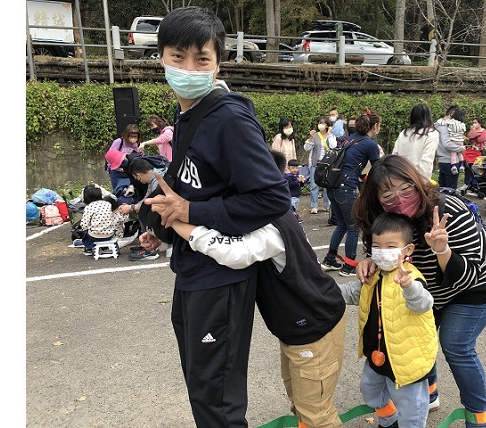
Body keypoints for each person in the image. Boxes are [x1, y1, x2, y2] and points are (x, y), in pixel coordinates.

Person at [138, 7, 291, 427]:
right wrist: (166, 230)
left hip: (221, 277)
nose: (189, 69)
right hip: (192, 267)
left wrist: (190, 211)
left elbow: (273, 197)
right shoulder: (188, 114)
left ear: (218, 63)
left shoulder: (228, 118)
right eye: (178, 56)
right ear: (161, 58)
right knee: (202, 388)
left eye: (201, 59)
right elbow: (200, 186)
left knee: (217, 400)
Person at [353, 154, 486, 428]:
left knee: (456, 344)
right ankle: (428, 395)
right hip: (426, 288)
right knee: (419, 335)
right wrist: (372, 260)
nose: (399, 198)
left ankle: (478, 419)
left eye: (405, 188)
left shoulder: (448, 210)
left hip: (477, 282)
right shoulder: (381, 218)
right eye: (388, 194)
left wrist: (442, 250)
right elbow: (383, 252)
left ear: (417, 183)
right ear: (377, 199)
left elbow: (466, 277)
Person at [168, 209, 347, 428]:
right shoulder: (270, 211)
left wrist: (175, 220)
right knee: (302, 405)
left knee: (316, 414)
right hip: (299, 328)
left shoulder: (270, 225)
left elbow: (233, 252)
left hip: (316, 328)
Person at [339, 212, 437, 428]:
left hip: (406, 359)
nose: (383, 252)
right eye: (377, 246)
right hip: (377, 353)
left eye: (391, 247)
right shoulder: (374, 275)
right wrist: (322, 291)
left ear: (408, 250)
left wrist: (409, 287)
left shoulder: (411, 278)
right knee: (369, 389)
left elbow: (423, 304)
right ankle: (389, 420)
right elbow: (353, 292)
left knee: (411, 408)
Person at [320, 108, 381, 277]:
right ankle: (349, 266)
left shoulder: (349, 139)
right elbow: (378, 169)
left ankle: (329, 260)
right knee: (353, 227)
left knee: (342, 224)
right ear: (374, 126)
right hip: (346, 188)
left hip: (333, 186)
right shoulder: (370, 144)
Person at [120, 156, 169, 260]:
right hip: (166, 207)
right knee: (143, 210)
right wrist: (133, 207)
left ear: (138, 175)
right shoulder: (155, 176)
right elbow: (147, 198)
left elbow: (151, 201)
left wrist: (131, 207)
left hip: (166, 210)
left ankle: (150, 249)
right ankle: (146, 243)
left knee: (146, 213)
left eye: (136, 178)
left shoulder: (158, 179)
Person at [391, 103, 439, 181]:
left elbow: (395, 155)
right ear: (428, 116)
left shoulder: (404, 133)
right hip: (417, 179)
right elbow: (426, 161)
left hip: (400, 177)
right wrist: (423, 182)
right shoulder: (431, 133)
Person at [79, 184, 129, 257]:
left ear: (86, 197)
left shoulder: (89, 207)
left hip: (95, 235)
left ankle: (89, 249)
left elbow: (84, 224)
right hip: (109, 234)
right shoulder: (108, 204)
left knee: (86, 237)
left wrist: (85, 229)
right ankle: (111, 248)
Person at [304, 116, 336, 214]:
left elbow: (333, 146)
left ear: (327, 125)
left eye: (323, 123)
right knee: (314, 185)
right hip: (315, 163)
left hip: (327, 164)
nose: (320, 125)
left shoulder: (331, 136)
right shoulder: (315, 135)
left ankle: (327, 205)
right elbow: (306, 148)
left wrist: (329, 134)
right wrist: (310, 137)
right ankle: (314, 206)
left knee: (327, 185)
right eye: (319, 123)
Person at [435, 106, 467, 189]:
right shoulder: (446, 126)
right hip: (451, 162)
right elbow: (447, 144)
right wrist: (461, 148)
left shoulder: (438, 124)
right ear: (452, 113)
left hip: (442, 160)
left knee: (442, 189)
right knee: (450, 190)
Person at [463, 117, 486, 186]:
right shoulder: (473, 131)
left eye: (475, 123)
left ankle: (475, 183)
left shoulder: (483, 131)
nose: (474, 124)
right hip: (470, 151)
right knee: (468, 167)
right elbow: (470, 137)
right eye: (473, 123)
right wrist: (475, 132)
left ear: (479, 123)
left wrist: (475, 133)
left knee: (475, 168)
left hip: (478, 152)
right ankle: (467, 182)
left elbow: (480, 140)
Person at [284, 159, 305, 223]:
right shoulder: (288, 176)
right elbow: (290, 185)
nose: (295, 170)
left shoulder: (297, 175)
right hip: (291, 195)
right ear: (288, 168)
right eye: (293, 168)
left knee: (295, 207)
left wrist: (302, 181)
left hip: (296, 195)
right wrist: (297, 181)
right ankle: (293, 219)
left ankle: (295, 217)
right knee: (292, 208)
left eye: (296, 168)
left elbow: (300, 185)